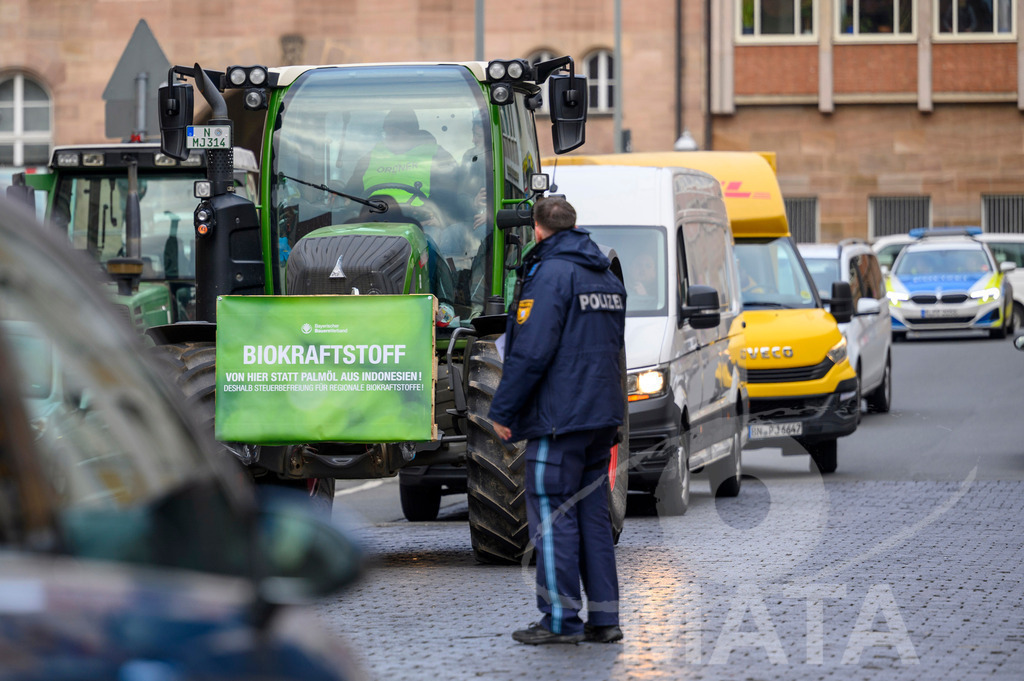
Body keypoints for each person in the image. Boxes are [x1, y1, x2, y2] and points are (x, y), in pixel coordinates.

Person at [488, 196, 627, 645]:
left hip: (558, 419)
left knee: (552, 514)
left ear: (537, 228)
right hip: (600, 417)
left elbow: (530, 352)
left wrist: (504, 411)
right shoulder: (605, 274)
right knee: (592, 516)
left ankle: (560, 620)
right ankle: (604, 620)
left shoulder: (550, 274)